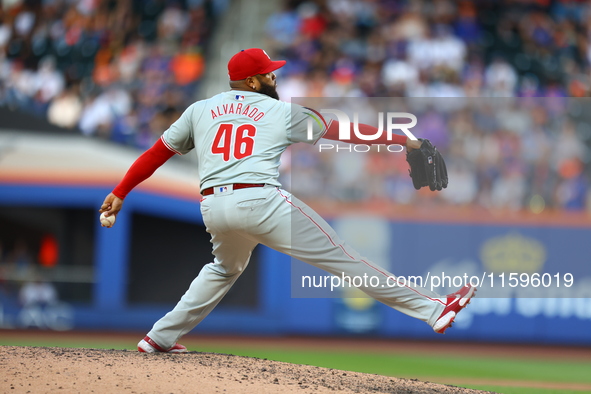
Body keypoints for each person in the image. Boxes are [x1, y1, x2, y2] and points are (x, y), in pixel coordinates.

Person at [99, 48, 475, 353]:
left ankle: (159, 337)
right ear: (251, 81)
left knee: (223, 268)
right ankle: (434, 309)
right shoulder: (279, 110)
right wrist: (404, 140)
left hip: (214, 207)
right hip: (261, 201)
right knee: (344, 258)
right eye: (268, 73)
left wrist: (120, 192)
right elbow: (343, 131)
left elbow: (156, 152)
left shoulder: (200, 109)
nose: (274, 77)